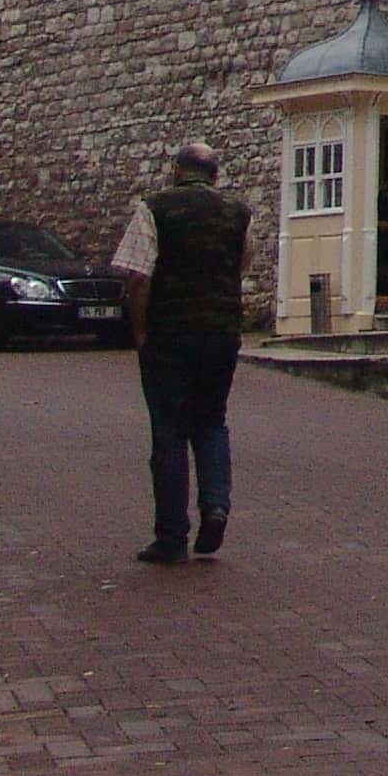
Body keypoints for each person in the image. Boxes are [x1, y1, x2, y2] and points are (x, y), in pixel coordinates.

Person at [109, 140, 251, 566]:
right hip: (222, 334)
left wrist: (140, 330)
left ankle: (171, 536)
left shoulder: (155, 209)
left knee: (169, 431)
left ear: (176, 171)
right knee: (211, 421)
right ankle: (216, 505)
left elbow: (138, 277)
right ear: (215, 176)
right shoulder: (237, 213)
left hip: (170, 335)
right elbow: (240, 266)